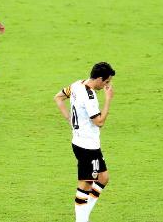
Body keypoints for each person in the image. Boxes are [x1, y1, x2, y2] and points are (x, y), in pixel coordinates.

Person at [54, 62, 116, 222]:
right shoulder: (90, 96)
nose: (107, 85)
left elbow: (59, 97)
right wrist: (108, 100)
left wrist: (69, 118)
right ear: (100, 79)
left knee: (103, 178)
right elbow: (99, 122)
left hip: (82, 142)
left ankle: (84, 215)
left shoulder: (77, 84)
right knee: (86, 184)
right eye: (107, 82)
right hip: (87, 147)